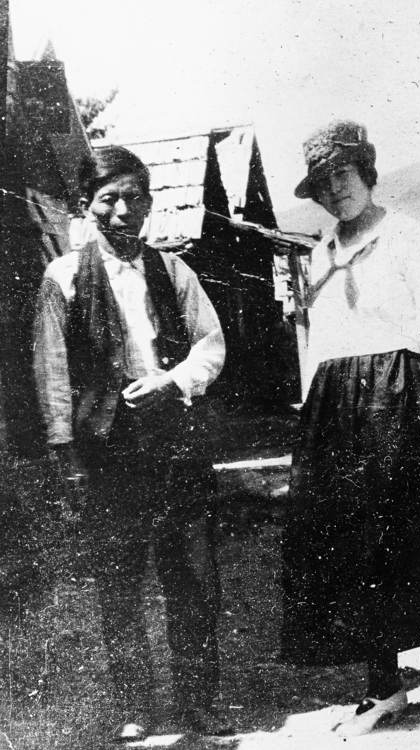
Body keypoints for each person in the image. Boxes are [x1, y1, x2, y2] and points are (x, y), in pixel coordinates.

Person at [282, 119, 420, 741]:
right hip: (337, 410)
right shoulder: (318, 254)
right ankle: (382, 686)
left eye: (343, 174)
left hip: (400, 397)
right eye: (324, 182)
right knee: (352, 546)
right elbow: (319, 342)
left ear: (366, 172)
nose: (336, 191)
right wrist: (312, 416)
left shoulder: (409, 237)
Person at [33, 146, 228, 740]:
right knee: (119, 581)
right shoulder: (63, 277)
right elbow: (53, 374)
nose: (123, 211)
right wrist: (66, 456)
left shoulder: (174, 272)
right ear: (86, 207)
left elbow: (212, 345)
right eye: (108, 199)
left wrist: (172, 381)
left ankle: (198, 701)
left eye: (134, 198)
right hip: (108, 452)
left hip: (176, 443)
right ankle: (132, 705)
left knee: (192, 575)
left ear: (149, 203)